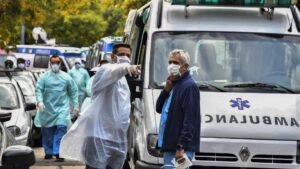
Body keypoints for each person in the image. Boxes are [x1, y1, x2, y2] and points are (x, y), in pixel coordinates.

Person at [60, 44, 140, 169]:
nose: (125, 57)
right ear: (113, 57)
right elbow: (113, 71)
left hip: (117, 138)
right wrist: (126, 67)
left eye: (128, 55)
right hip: (98, 136)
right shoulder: (104, 71)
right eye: (121, 55)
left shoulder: (123, 80)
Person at [156, 49, 200, 169]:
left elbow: (190, 120)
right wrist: (166, 90)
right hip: (170, 146)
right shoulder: (174, 84)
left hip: (180, 150)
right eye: (170, 62)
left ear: (185, 66)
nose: (171, 66)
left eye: (175, 63)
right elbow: (159, 108)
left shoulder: (189, 87)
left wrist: (181, 147)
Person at [35, 54, 79, 162]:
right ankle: (49, 151)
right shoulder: (44, 77)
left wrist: (76, 105)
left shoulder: (66, 77)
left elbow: (73, 91)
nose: (55, 64)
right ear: (50, 64)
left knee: (61, 128)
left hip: (62, 109)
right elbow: (38, 90)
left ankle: (59, 151)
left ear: (60, 64)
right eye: (53, 62)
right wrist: (40, 102)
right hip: (47, 109)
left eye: (57, 62)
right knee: (47, 132)